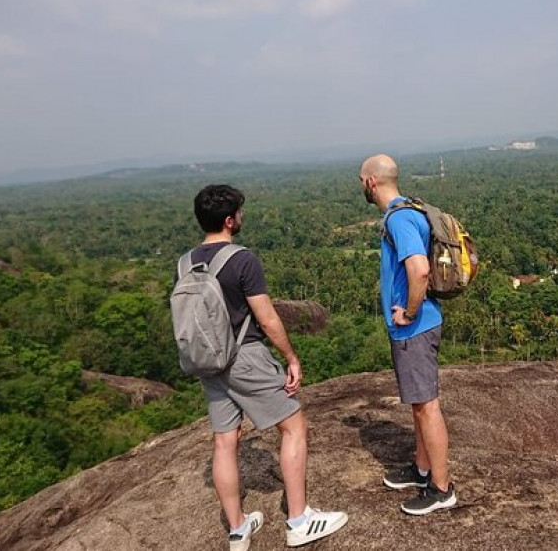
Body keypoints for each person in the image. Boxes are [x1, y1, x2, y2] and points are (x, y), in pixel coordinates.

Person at [183, 185, 347, 550]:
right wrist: (290, 356)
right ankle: (299, 520)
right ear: (229, 220)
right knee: (294, 426)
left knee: (225, 441)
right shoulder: (242, 260)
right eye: (239, 212)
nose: (242, 217)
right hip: (244, 356)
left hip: (210, 362)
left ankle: (238, 530)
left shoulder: (186, 262)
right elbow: (268, 318)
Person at [359, 155, 458, 516]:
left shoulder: (399, 219)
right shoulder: (409, 209)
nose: (361, 185)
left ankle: (441, 489)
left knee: (427, 406)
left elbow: (419, 271)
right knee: (419, 405)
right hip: (418, 326)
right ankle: (421, 470)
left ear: (371, 182)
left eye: (361, 179)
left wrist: (410, 311)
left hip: (415, 327)